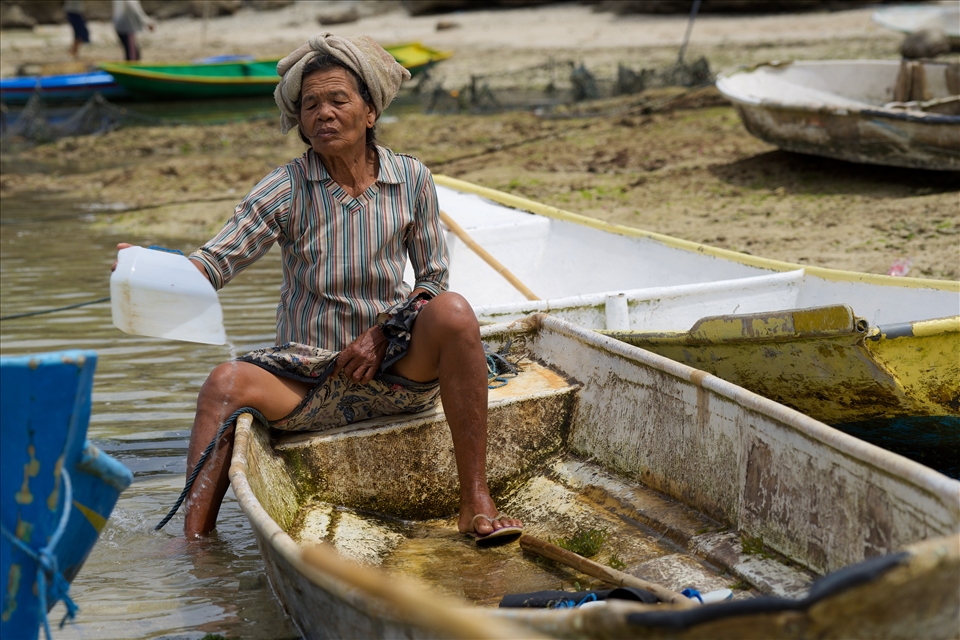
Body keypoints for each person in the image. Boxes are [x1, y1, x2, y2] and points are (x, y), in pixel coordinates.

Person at [114, 33, 523, 544]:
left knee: (455, 311)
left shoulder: (411, 178)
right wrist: (149, 269)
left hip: (397, 370)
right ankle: (193, 545)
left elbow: (433, 280)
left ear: (369, 112)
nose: (323, 114)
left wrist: (383, 335)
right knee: (223, 384)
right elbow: (214, 263)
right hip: (306, 380)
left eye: (337, 100)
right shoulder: (286, 186)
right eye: (310, 105)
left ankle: (476, 502)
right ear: (301, 122)